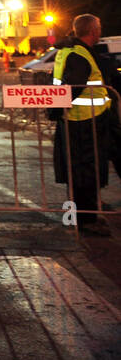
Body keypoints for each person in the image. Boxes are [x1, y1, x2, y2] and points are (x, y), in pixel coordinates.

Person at [51, 14, 116, 236]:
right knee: (86, 172)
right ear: (92, 31)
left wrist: (55, 111)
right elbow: (73, 87)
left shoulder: (66, 51)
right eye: (98, 28)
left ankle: (81, 213)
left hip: (75, 120)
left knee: (77, 171)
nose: (100, 31)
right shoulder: (79, 54)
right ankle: (86, 219)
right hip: (85, 121)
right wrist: (57, 109)